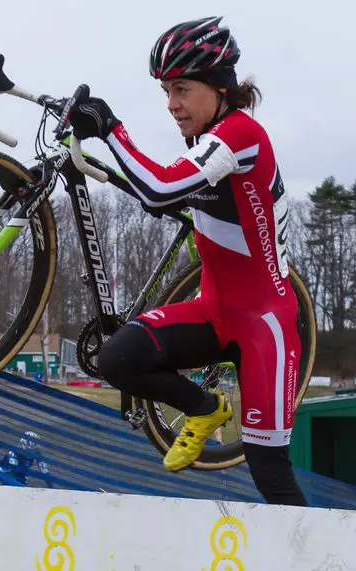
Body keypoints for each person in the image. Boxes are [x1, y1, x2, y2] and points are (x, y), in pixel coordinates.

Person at [68, 16, 307, 507]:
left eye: (180, 89)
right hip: (214, 313)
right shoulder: (206, 140)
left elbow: (159, 188)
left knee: (271, 478)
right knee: (117, 357)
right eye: (165, 92)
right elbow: (163, 191)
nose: (172, 104)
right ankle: (204, 408)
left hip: (265, 326)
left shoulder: (240, 134)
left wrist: (111, 130)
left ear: (219, 87)